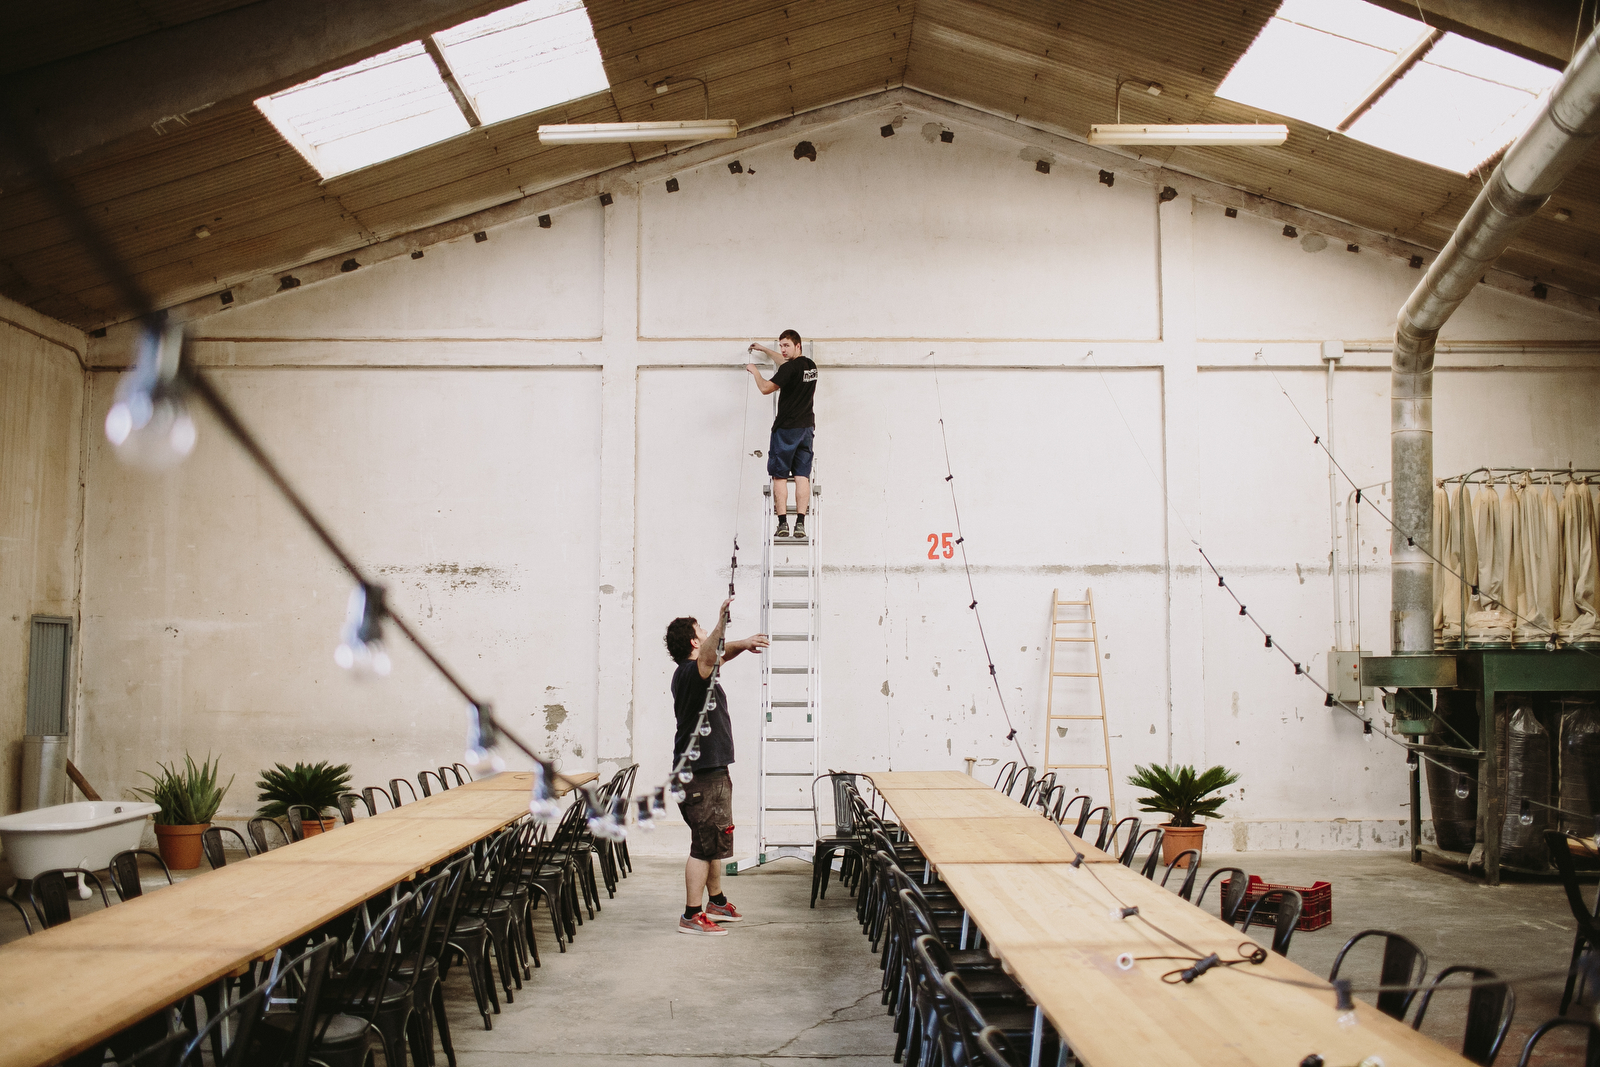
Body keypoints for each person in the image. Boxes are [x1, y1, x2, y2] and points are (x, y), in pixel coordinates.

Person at [664, 599, 768, 935]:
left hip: (712, 768)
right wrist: (722, 621)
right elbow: (712, 654)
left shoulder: (700, 672)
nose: (708, 635)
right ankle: (691, 914)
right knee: (703, 844)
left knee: (715, 840)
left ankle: (717, 902)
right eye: (703, 632)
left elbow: (718, 656)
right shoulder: (689, 673)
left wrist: (744, 642)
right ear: (695, 642)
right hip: (699, 773)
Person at [746, 329, 817, 539]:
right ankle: (801, 523)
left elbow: (766, 388)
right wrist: (765, 349)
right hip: (806, 429)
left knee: (779, 476)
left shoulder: (789, 370)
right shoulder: (810, 366)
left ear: (798, 345)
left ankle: (783, 523)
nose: (782, 350)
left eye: (786, 346)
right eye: (781, 346)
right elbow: (786, 364)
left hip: (786, 429)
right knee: (802, 475)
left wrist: (754, 371)